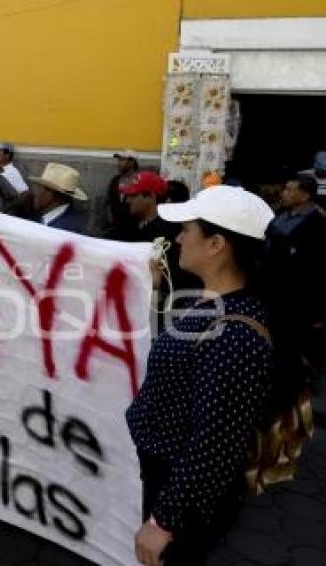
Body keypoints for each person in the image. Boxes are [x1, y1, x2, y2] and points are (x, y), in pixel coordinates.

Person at [126, 185, 303, 566]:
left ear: (216, 244)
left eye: (187, 229)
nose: (178, 238)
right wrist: (154, 290)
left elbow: (215, 444)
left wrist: (165, 521)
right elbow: (177, 350)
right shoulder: (205, 299)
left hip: (180, 489)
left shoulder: (237, 336)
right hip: (164, 471)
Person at [265, 174, 326, 370]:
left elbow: (315, 266)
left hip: (295, 293)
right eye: (285, 189)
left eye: (291, 190)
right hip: (273, 286)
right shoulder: (281, 214)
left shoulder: (316, 223)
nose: (285, 193)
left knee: (290, 339)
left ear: (305, 195)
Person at [117, 171, 201, 297]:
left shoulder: (172, 232)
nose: (128, 200)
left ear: (150, 196)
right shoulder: (128, 226)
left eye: (133, 195)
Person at [25, 163, 88, 233]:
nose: (36, 193)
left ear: (56, 196)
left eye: (41, 188)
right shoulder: (53, 218)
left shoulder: (62, 230)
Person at [105, 149, 140, 235]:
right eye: (119, 160)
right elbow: (109, 201)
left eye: (122, 160)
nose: (119, 163)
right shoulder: (115, 180)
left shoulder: (140, 180)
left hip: (134, 229)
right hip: (115, 228)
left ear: (132, 162)